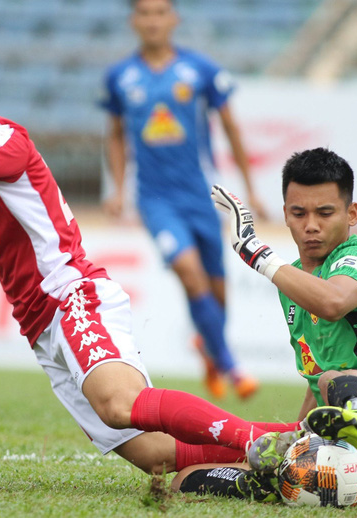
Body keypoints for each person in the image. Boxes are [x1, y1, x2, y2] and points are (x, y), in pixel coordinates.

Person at [0, 32, 357, 499]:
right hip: (40, 325)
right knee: (153, 453)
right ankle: (298, 442)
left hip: (72, 294)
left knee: (119, 404)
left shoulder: (0, 138)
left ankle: (258, 444)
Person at [173, 148, 357, 502]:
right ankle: (310, 461)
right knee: (187, 479)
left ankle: (356, 424)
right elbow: (315, 373)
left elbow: (333, 302)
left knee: (337, 381)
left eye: (325, 213)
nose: (311, 225)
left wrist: (257, 254)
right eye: (299, 213)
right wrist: (300, 437)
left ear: (352, 214)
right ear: (285, 214)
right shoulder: (295, 285)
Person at [99, 0, 264, 399]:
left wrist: (251, 189)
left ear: (174, 18)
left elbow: (231, 127)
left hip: (201, 196)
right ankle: (230, 365)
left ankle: (209, 349)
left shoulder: (200, 70)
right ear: (133, 20)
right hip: (156, 200)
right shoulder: (120, 76)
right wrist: (119, 189)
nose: (153, 20)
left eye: (160, 12)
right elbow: (116, 135)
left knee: (218, 290)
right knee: (189, 273)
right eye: (145, 13)